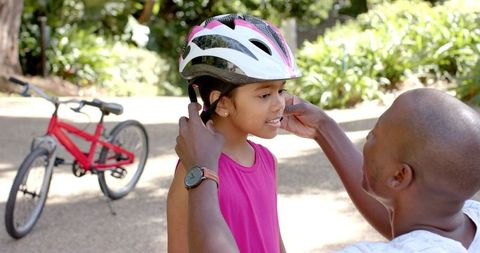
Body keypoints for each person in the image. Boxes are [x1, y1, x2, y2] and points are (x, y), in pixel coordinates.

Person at [175, 88, 480, 253]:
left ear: (399, 177)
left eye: (373, 134)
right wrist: (323, 127)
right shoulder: (467, 219)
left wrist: (201, 171)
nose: (365, 141)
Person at [167, 14, 301, 253]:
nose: (279, 103)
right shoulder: (194, 170)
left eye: (281, 90)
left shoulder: (268, 160)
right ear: (221, 103)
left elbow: (273, 237)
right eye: (264, 95)